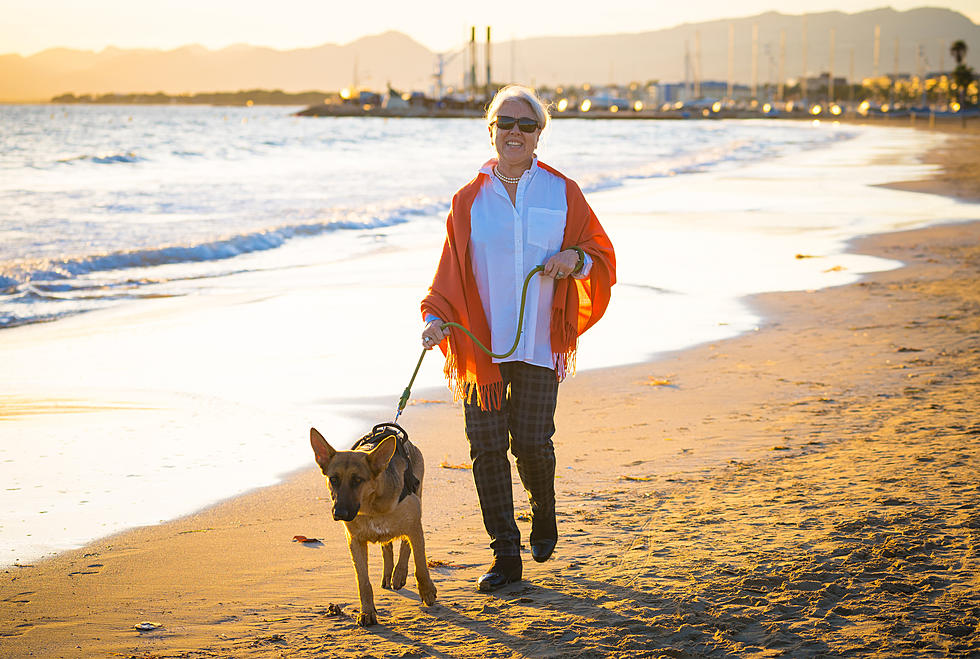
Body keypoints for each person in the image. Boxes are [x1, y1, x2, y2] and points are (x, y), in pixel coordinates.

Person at [420, 85, 615, 592]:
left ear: (539, 135)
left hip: (538, 341)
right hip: (480, 348)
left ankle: (543, 507)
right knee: (485, 448)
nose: (515, 132)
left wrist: (575, 259)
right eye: (506, 122)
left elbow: (599, 252)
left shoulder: (562, 190)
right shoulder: (467, 200)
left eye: (526, 125)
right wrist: (435, 317)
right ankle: (506, 554)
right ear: (491, 130)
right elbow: (450, 272)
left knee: (530, 443)